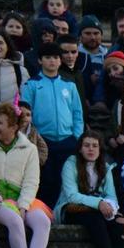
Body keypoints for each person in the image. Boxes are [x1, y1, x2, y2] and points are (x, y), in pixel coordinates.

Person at [55, 132, 124, 248]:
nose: (91, 149)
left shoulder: (106, 167)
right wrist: (99, 203)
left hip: (98, 210)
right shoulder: (70, 163)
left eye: (95, 146)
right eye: (87, 145)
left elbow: (112, 197)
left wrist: (110, 208)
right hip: (71, 209)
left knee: (121, 222)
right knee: (95, 219)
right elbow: (72, 195)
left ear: (100, 149)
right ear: (80, 148)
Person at [0, 104, 50, 248]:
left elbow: (32, 180)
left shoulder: (30, 149)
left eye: (0, 123)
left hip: (22, 196)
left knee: (42, 221)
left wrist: (24, 205)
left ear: (13, 127)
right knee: (15, 220)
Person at [23, 45, 83, 187]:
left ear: (60, 61)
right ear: (40, 60)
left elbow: (77, 113)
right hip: (43, 141)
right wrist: (33, 137)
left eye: (56, 58)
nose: (52, 61)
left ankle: (63, 209)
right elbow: (25, 114)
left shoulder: (69, 85)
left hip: (67, 140)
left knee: (67, 180)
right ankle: (45, 208)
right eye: (48, 57)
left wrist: (77, 136)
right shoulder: (31, 84)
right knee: (46, 181)